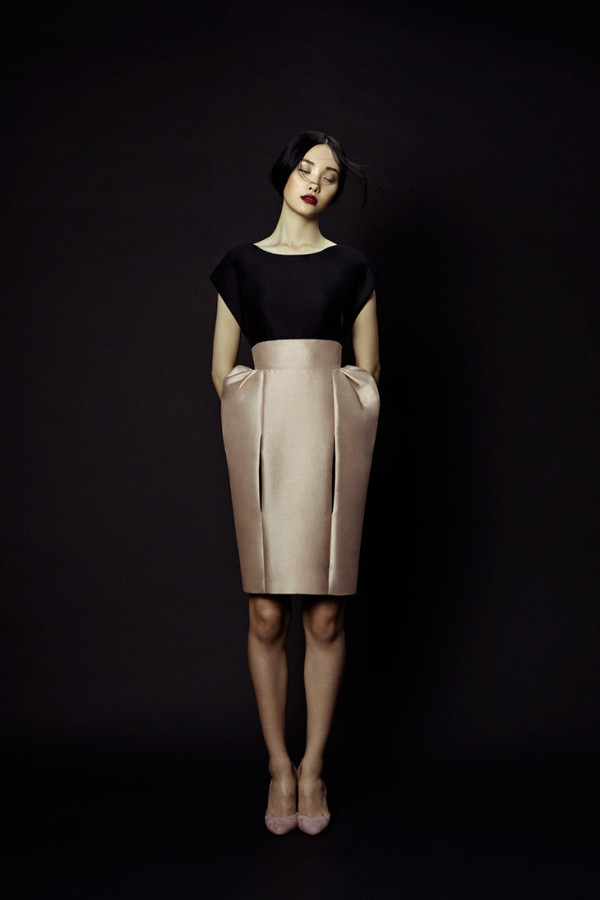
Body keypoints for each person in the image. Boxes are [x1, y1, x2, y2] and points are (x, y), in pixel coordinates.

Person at [210, 131, 380, 835]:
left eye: (330, 176)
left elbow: (368, 371)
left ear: (337, 192)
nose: (314, 182)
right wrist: (264, 413)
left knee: (326, 615)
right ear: (284, 173)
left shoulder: (351, 265)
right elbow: (223, 370)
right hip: (262, 436)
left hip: (331, 435)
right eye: (306, 168)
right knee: (266, 614)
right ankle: (279, 768)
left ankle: (314, 769)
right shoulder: (241, 264)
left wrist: (329, 415)